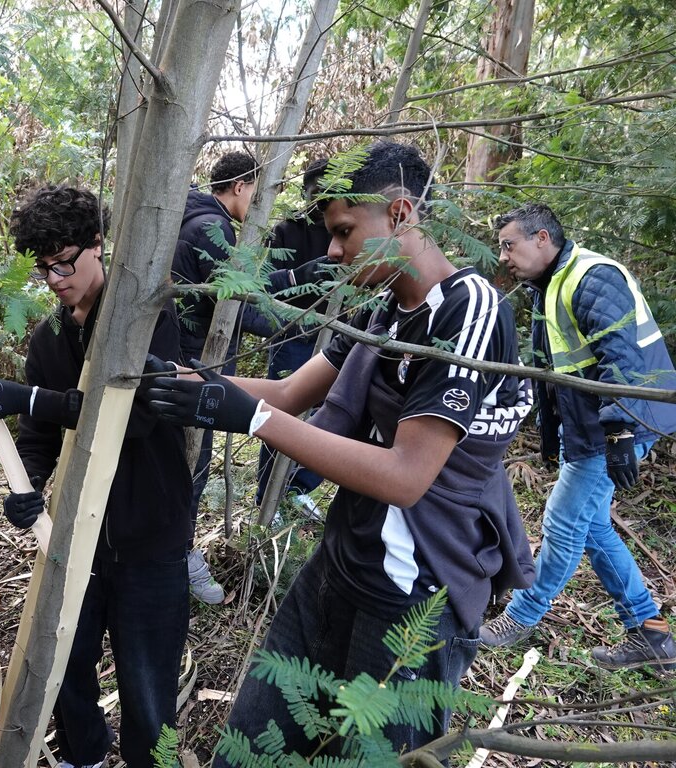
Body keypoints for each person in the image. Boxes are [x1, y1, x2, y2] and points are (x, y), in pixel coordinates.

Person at [148, 141, 535, 760]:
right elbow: (287, 391)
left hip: (415, 595)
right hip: (342, 562)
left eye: (345, 231)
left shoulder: (469, 312)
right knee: (252, 742)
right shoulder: (386, 309)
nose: (331, 250)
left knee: (369, 753)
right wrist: (185, 380)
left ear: (402, 213)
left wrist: (254, 420)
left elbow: (409, 476)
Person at [0, 185, 191, 768]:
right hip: (73, 540)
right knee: (66, 662)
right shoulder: (48, 338)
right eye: (45, 268)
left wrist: (30, 398)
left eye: (65, 263)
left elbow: (131, 414)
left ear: (99, 244)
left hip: (152, 536)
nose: (56, 279)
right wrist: (28, 486)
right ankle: (84, 755)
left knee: (147, 683)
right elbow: (40, 438)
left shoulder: (146, 318)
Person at [480, 203, 676, 669]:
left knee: (565, 522)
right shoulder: (548, 285)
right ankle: (650, 631)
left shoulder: (593, 277)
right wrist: (554, 436)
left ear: (542, 238)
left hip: (628, 418)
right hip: (590, 425)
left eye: (510, 245)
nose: (503, 255)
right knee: (591, 527)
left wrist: (620, 433)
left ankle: (521, 616)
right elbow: (557, 372)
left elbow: (620, 360)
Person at [171, 150, 268, 604]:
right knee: (191, 466)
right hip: (196, 368)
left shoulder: (190, 219)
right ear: (240, 187)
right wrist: (307, 318)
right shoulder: (210, 229)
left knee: (183, 465)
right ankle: (181, 558)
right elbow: (237, 305)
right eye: (258, 192)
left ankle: (173, 555)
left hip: (189, 362)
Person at [253, 157, 334, 517]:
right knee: (281, 412)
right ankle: (267, 495)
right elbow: (262, 287)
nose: (319, 200)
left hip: (336, 337)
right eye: (314, 192)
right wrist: (298, 277)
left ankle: (299, 488)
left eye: (328, 192)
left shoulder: (348, 226)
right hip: (293, 336)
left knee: (331, 415)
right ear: (304, 192)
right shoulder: (289, 230)